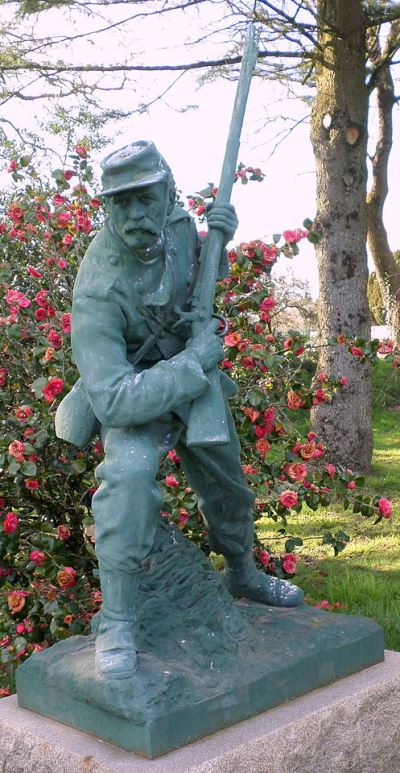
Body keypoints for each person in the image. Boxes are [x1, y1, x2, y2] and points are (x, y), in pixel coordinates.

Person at [56, 140, 304, 680]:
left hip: (189, 377)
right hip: (136, 398)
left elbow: (191, 283)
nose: (136, 214)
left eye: (146, 198)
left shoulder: (179, 227)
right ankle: (119, 620)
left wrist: (219, 236)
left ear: (167, 193)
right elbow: (115, 400)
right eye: (121, 203)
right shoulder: (97, 288)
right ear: (106, 207)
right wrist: (194, 364)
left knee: (228, 486)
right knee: (125, 480)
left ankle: (242, 572)